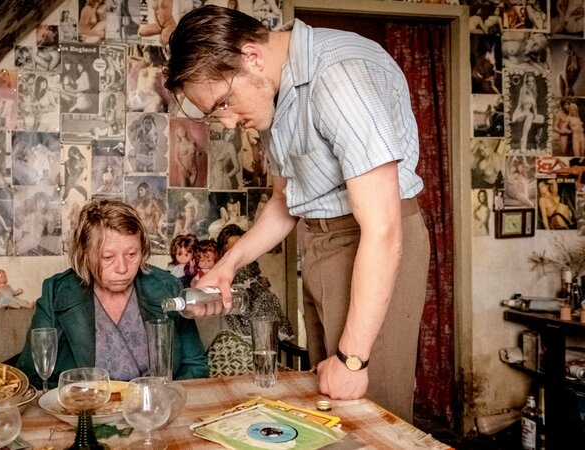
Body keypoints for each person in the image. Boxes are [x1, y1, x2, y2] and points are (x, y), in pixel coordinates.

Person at [164, 6, 430, 422]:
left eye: (224, 103)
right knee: (329, 408)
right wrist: (227, 266)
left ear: (251, 56)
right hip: (321, 242)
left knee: (368, 410)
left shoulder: (338, 75)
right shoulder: (277, 91)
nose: (228, 123)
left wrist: (354, 359)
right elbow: (284, 201)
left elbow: (383, 229)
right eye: (216, 114)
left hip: (371, 244)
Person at [16, 199, 208, 388]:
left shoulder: (168, 288)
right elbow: (33, 376)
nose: (122, 268)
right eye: (107, 257)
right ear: (85, 255)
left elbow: (195, 367)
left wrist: (165, 398)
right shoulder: (57, 292)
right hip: (85, 406)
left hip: (155, 405)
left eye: (132, 254)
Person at [216, 224, 294, 340]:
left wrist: (259, 281)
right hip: (238, 300)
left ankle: (270, 335)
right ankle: (253, 336)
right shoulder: (226, 268)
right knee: (257, 301)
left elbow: (254, 276)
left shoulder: (249, 263)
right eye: (231, 249)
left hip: (254, 296)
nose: (237, 252)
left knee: (267, 298)